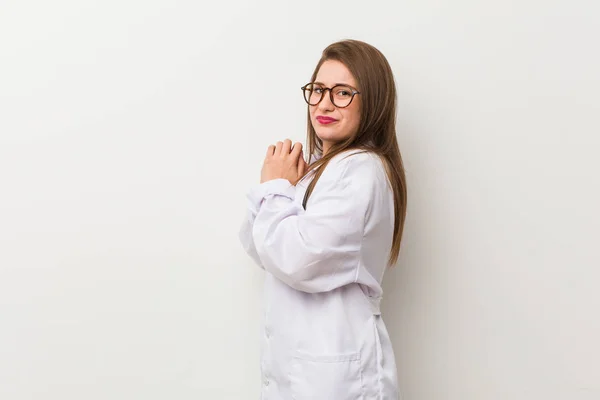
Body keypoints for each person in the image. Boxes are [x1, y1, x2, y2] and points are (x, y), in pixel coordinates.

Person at [238, 39, 408, 400]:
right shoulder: (318, 169)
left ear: (372, 100)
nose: (325, 103)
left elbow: (297, 258)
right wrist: (280, 188)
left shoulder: (362, 171)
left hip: (336, 377)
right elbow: (261, 247)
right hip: (303, 372)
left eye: (343, 92)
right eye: (317, 90)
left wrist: (276, 187)